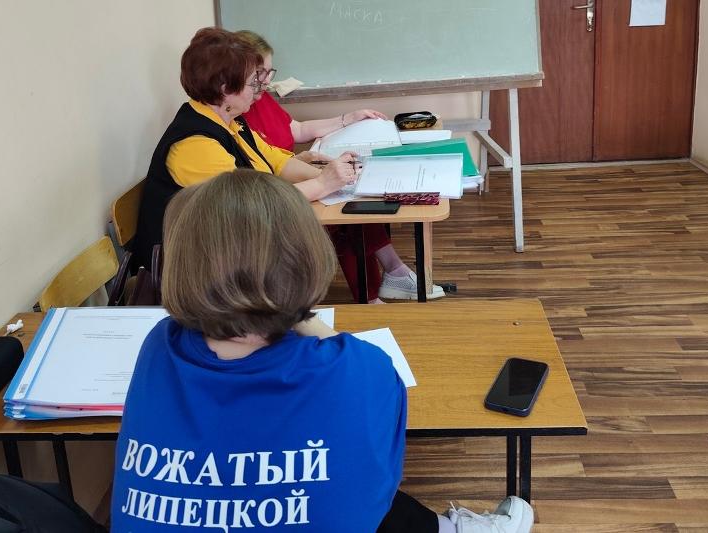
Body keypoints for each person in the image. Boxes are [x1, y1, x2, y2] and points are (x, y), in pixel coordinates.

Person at [111, 169, 534, 532]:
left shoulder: (159, 346)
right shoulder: (360, 368)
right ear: (310, 257)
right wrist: (297, 311)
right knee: (351, 481)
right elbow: (377, 477)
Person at [131, 27, 443, 304]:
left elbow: (277, 162)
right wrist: (323, 183)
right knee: (313, 239)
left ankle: (369, 296)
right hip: (194, 269)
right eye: (253, 83)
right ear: (225, 88)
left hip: (228, 243)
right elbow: (250, 206)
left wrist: (334, 177)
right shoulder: (195, 143)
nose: (259, 89)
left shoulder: (229, 121)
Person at [236, 30, 445, 304]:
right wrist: (318, 174)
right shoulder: (237, 113)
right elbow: (262, 175)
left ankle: (391, 273)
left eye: (268, 72)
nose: (266, 81)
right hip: (279, 193)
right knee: (347, 212)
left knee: (349, 191)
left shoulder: (260, 99)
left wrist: (348, 118)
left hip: (292, 175)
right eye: (260, 74)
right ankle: (375, 292)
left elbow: (296, 130)